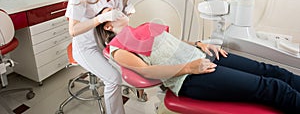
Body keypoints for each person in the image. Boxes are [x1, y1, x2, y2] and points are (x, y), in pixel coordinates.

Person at [96, 12, 300, 114]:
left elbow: (172, 42)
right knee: (273, 88)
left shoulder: (140, 28)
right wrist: (189, 67)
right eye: (111, 10)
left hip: (201, 56)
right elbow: (148, 71)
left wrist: (200, 44)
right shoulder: (118, 49)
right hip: (190, 77)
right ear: (107, 24)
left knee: (274, 71)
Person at [65, 0, 136, 114]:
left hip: (106, 44)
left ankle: (138, 91)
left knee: (133, 65)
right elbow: (73, 30)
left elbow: (123, 15)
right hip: (86, 47)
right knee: (113, 79)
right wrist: (100, 18)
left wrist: (127, 13)